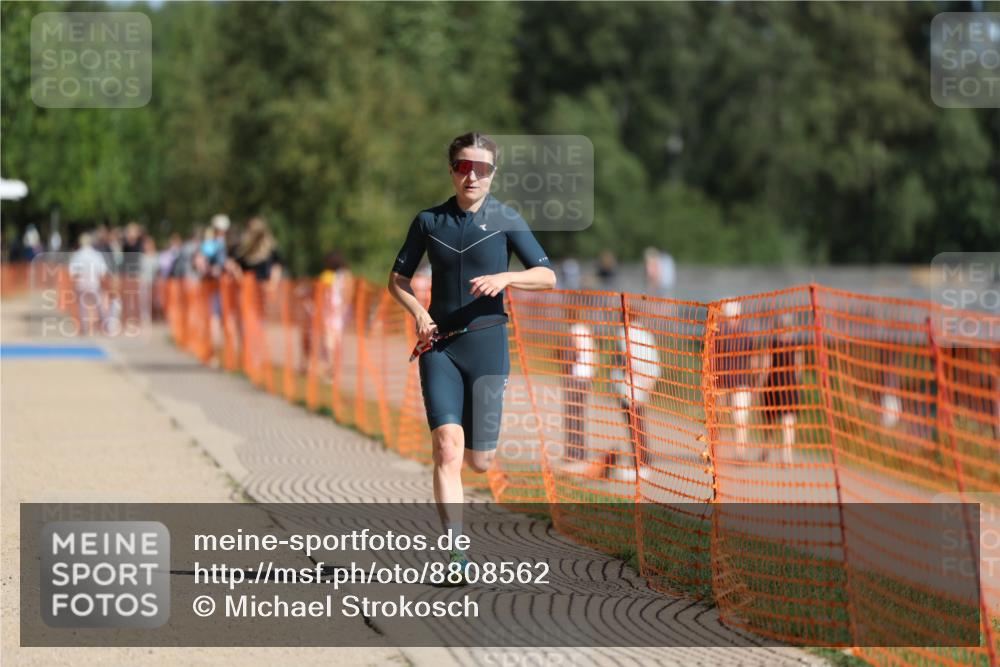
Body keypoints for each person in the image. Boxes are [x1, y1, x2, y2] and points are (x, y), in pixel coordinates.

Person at [387, 131, 556, 581]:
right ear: (452, 170)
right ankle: (457, 555)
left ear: (492, 174)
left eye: (481, 168)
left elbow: (547, 276)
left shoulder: (507, 219)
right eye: (463, 166)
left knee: (480, 461)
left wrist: (506, 278)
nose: (472, 176)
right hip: (439, 346)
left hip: (487, 346)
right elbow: (397, 281)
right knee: (446, 448)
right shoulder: (428, 221)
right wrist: (420, 314)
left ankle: (469, 476)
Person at [760, 314, 803, 464]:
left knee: (773, 421)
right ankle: (784, 454)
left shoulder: (774, 343)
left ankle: (770, 450)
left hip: (776, 385)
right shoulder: (793, 344)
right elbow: (799, 367)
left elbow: (766, 365)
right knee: (786, 421)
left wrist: (761, 383)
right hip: (787, 385)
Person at [68, 232, 110, 335]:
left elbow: (73, 272)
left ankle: (84, 328)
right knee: (99, 306)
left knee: (83, 307)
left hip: (81, 284)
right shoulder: (96, 255)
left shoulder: (77, 255)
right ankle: (106, 326)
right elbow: (102, 272)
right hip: (94, 284)